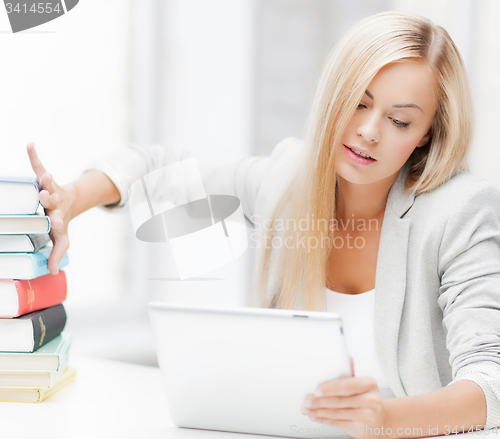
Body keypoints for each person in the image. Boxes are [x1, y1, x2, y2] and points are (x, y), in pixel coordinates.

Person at [26, 10, 500, 439]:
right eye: (358, 101)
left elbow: (490, 382)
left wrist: (385, 420)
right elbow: (156, 167)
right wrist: (72, 199)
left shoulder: (459, 212)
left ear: (426, 136)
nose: (369, 130)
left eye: (399, 121)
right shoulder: (287, 180)